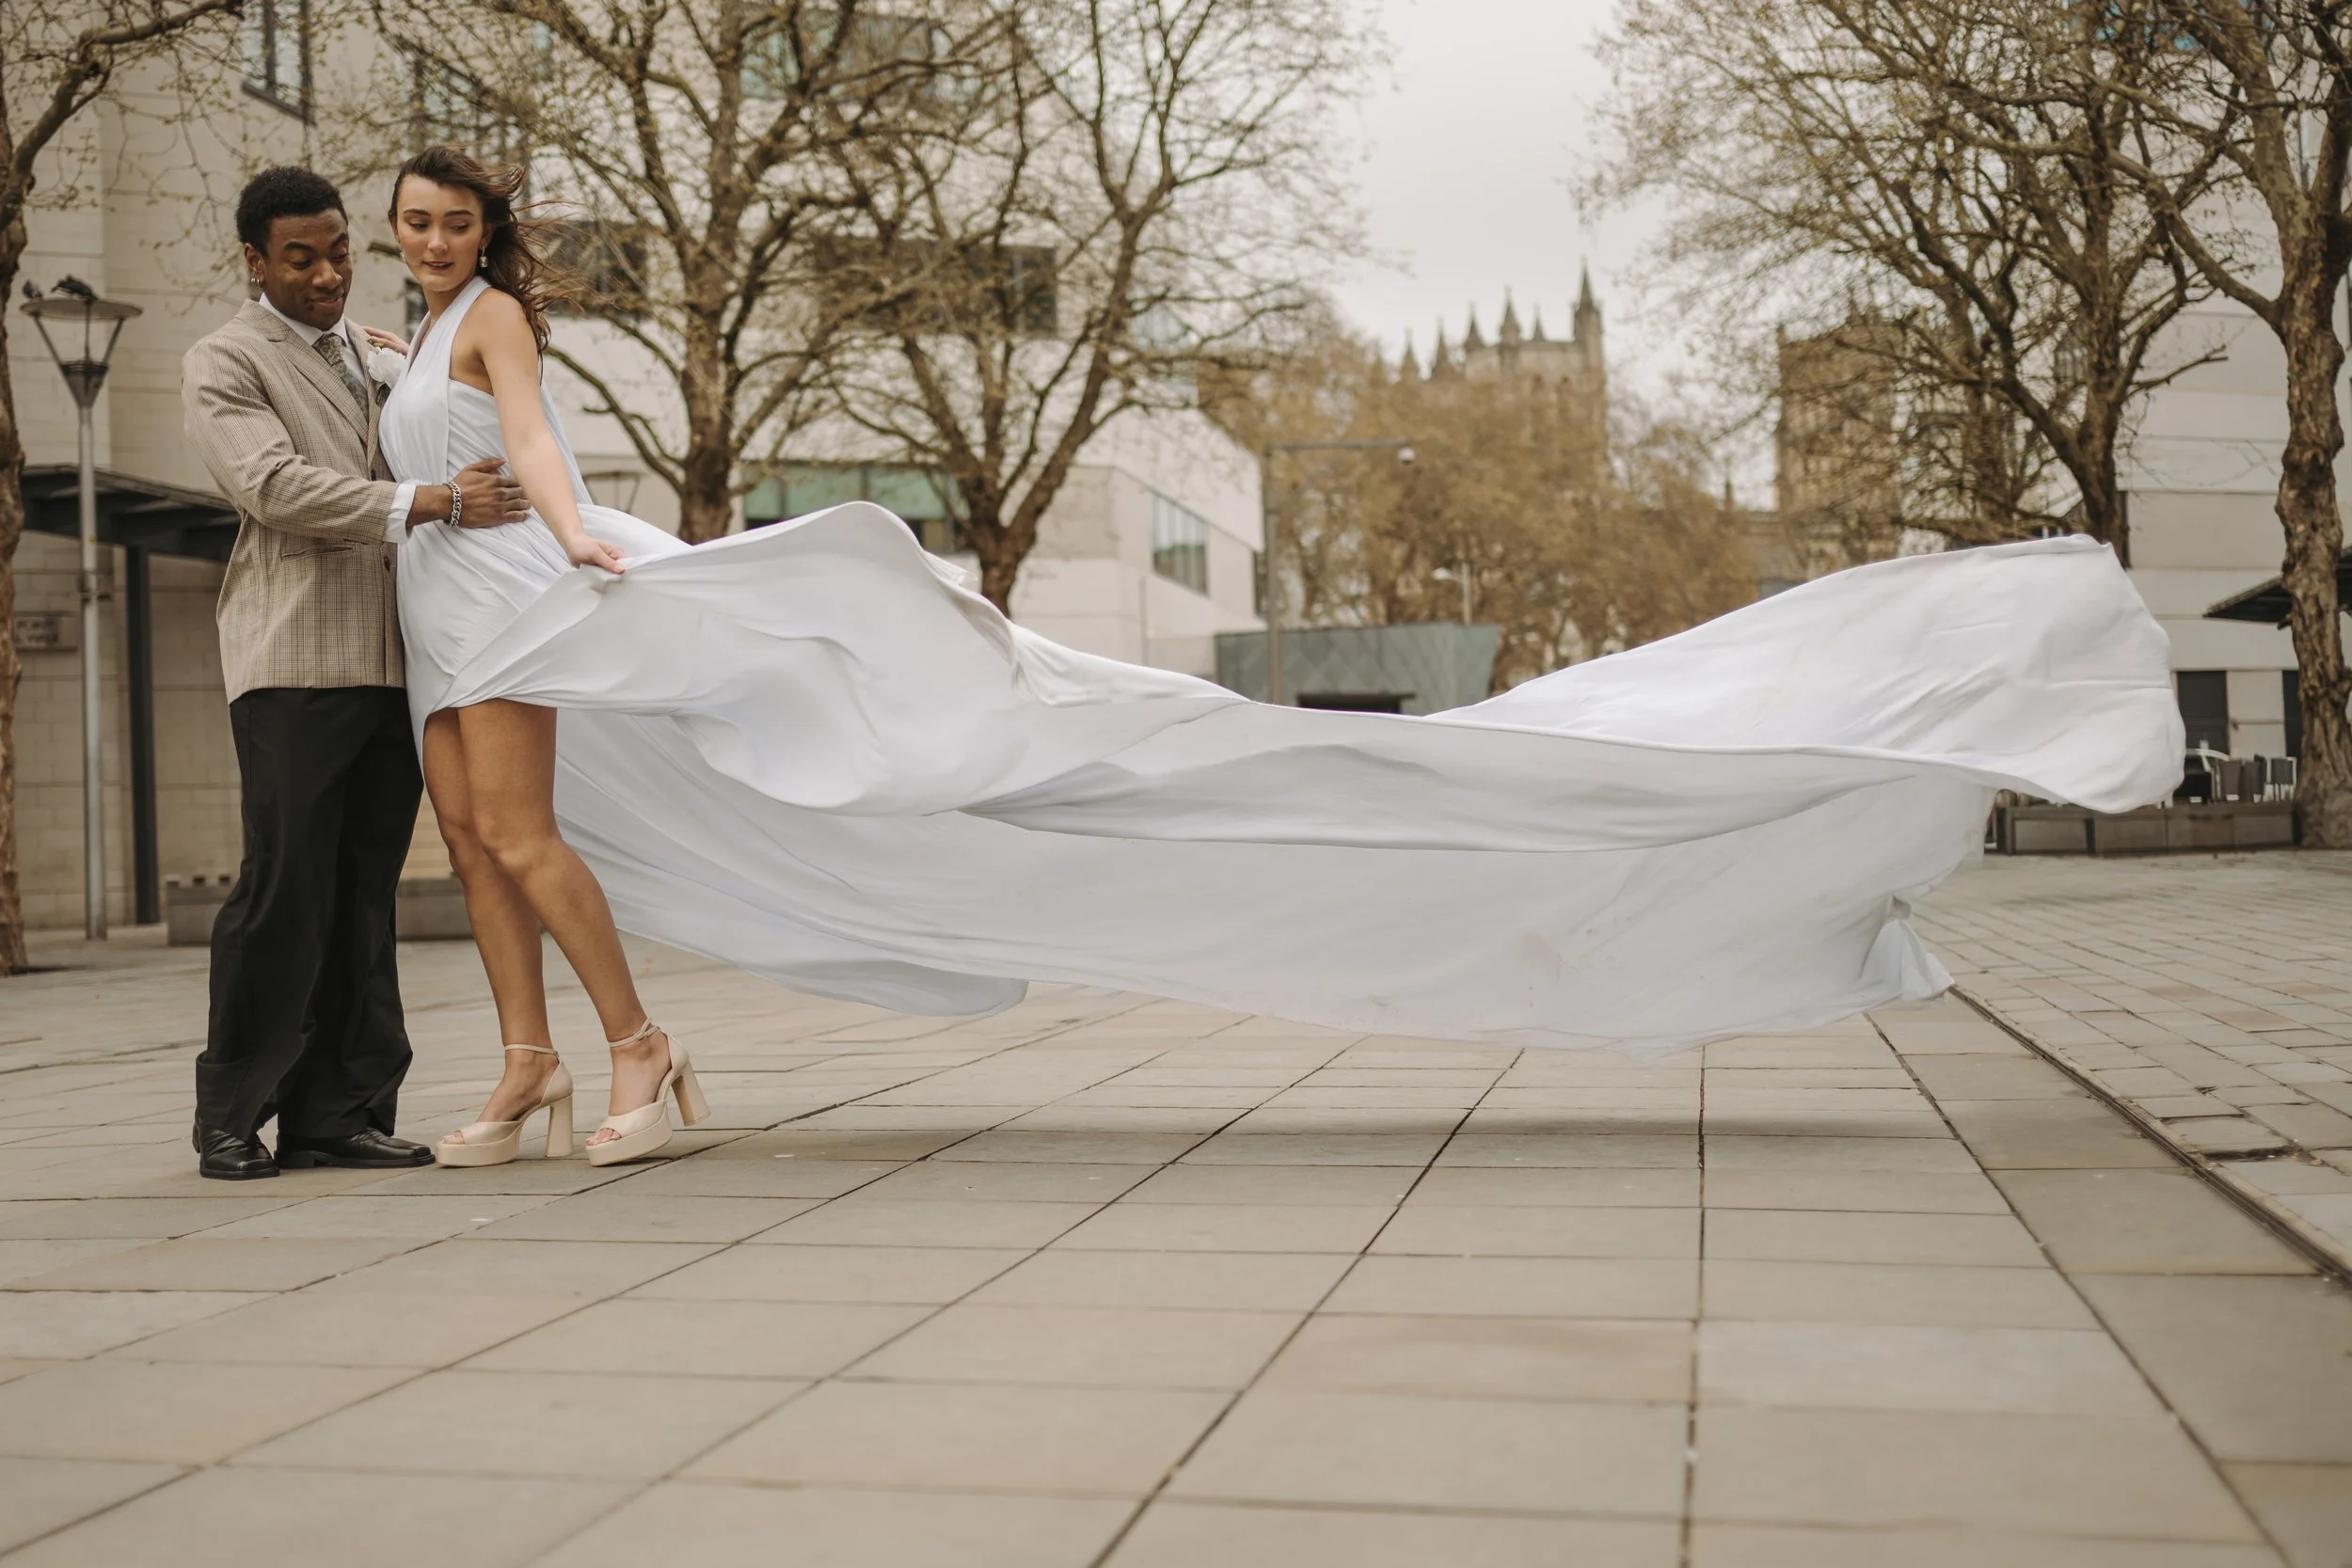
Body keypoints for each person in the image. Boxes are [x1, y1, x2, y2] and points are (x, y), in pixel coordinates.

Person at [375, 145, 2183, 1174]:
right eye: (416, 220)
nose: (432, 238)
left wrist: (590, 529)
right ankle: (525, 1059)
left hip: (528, 582)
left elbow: (536, 449)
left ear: (489, 234)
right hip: (443, 601)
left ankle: (633, 1049)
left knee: (528, 833)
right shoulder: (406, 321)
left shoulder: (502, 316)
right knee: (471, 836)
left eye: (452, 219)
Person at [181, 167, 530, 1180]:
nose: (329, 272)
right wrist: (432, 501)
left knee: (362, 891)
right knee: (284, 887)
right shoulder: (224, 361)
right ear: (256, 261)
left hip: (398, 662)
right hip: (293, 660)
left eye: (339, 250)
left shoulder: (383, 350)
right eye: (302, 257)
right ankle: (232, 1113)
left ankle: (341, 1108)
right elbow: (273, 486)